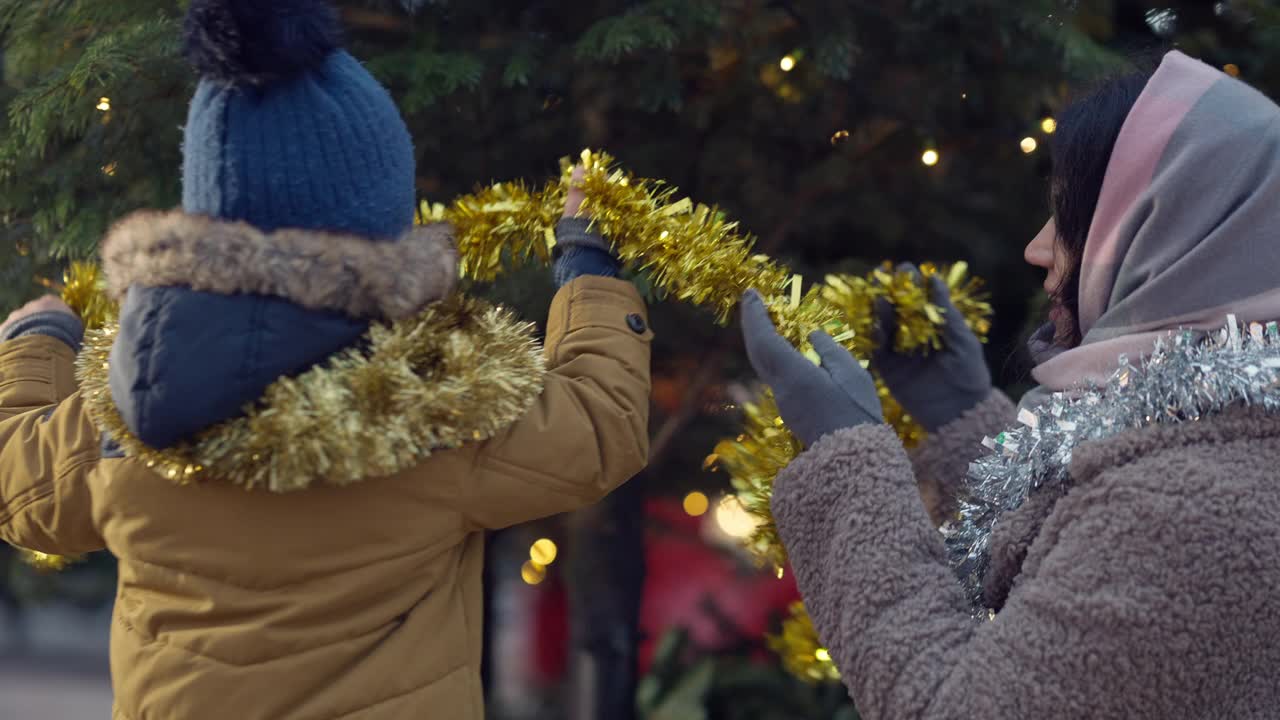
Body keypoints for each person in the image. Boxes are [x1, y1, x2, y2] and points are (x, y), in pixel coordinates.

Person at [0, 1, 651, 718]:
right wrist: (587, 264)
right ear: (378, 222)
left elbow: (23, 494)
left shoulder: (124, 397)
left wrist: (36, 346)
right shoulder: (433, 402)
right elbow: (598, 427)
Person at [740, 50, 1280, 718]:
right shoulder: (1218, 447)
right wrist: (965, 420)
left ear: (1164, 234)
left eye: (1071, 219)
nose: (1037, 246)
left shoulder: (1189, 514)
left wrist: (845, 458)